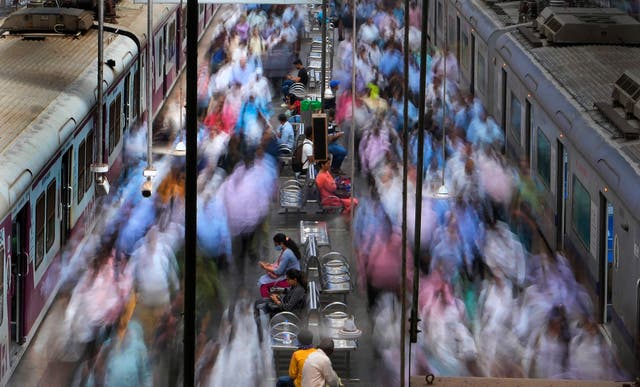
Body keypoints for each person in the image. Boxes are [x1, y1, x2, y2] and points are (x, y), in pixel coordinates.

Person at [257, 233, 302, 298]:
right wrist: (270, 265)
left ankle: (267, 301)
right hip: (290, 275)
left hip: (289, 279)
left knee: (263, 284)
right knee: (263, 279)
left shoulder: (287, 253)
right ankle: (272, 298)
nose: (275, 247)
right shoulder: (287, 250)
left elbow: (279, 271)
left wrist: (265, 267)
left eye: (276, 245)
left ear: (281, 243)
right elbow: (279, 263)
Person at [326, 109, 346, 174]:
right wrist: (337, 135)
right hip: (328, 144)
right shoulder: (327, 124)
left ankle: (335, 167)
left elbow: (336, 129)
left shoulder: (333, 122)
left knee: (340, 155)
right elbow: (328, 138)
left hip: (333, 143)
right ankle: (335, 167)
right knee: (343, 152)